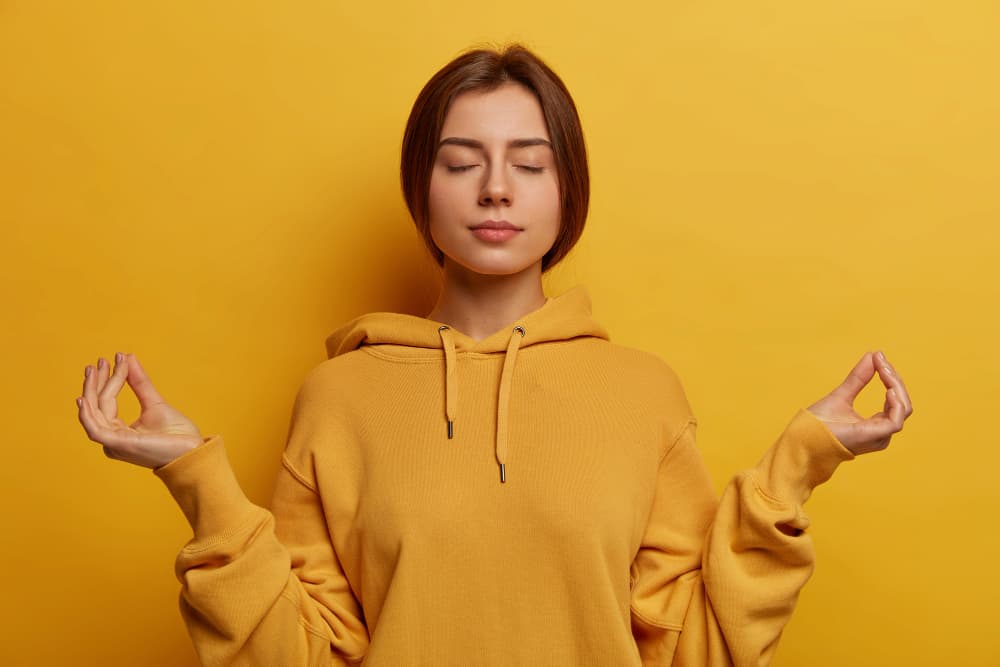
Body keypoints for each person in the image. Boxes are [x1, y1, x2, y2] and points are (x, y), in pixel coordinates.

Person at [76, 44, 913, 666]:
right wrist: (194, 474)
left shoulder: (643, 392)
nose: (496, 189)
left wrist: (803, 460)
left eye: (529, 163)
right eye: (461, 161)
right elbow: (300, 652)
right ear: (423, 188)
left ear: (566, 188)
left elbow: (695, 642)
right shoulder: (338, 396)